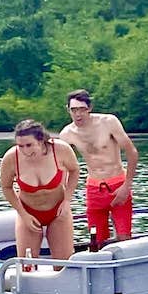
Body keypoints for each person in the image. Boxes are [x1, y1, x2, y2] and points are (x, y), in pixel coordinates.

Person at [59, 88, 139, 249]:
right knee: (97, 239)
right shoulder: (67, 134)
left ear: (89, 108)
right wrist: (63, 198)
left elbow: (131, 152)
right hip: (94, 187)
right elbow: (63, 167)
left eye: (82, 109)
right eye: (74, 110)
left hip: (117, 182)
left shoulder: (108, 122)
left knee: (124, 237)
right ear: (68, 110)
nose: (78, 114)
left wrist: (127, 185)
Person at [0, 119, 81, 264]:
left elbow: (74, 170)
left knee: (64, 264)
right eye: (20, 146)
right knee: (26, 265)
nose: (25, 151)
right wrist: (22, 213)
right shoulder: (11, 158)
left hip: (57, 210)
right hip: (29, 211)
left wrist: (67, 200)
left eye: (29, 145)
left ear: (42, 140)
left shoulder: (61, 150)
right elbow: (6, 187)